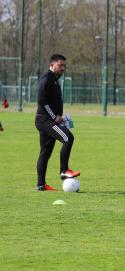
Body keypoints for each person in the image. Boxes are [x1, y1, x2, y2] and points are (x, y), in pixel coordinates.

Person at [35, 54, 80, 191]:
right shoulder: (46, 79)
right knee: (68, 138)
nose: (63, 68)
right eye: (60, 65)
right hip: (46, 121)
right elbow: (42, 101)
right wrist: (54, 116)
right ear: (52, 64)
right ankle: (64, 170)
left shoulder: (55, 79)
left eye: (64, 65)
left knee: (45, 153)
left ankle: (41, 184)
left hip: (45, 121)